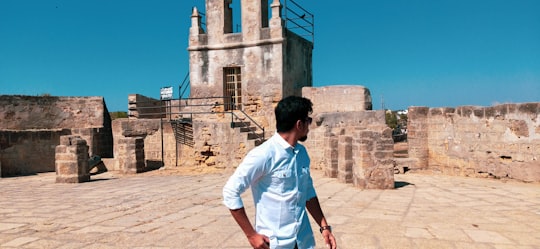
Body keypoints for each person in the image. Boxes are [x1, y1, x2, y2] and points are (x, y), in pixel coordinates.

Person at [223, 96, 337, 249]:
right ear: (299, 124)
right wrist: (251, 235)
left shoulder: (301, 153)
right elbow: (230, 191)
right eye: (308, 121)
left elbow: (308, 192)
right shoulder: (264, 154)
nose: (309, 126)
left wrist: (324, 227)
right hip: (275, 243)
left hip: (303, 240)